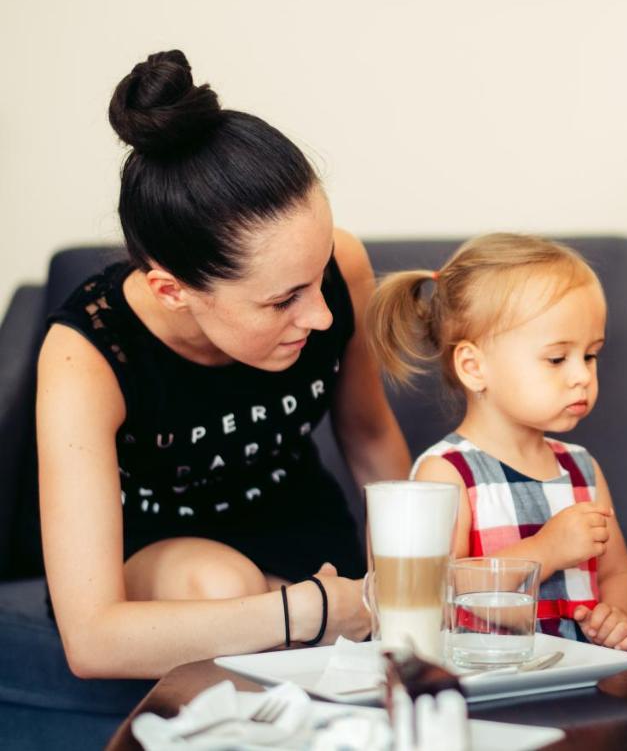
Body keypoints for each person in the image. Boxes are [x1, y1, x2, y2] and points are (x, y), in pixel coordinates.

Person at [37, 51, 410, 679]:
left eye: (318, 276)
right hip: (157, 569)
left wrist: (406, 587)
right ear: (171, 291)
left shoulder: (343, 266)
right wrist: (310, 611)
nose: (321, 316)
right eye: (283, 299)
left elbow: (371, 438)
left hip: (303, 539)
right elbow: (93, 640)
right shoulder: (88, 356)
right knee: (221, 581)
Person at [368, 233, 627, 649]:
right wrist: (546, 550)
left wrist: (618, 617)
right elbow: (443, 590)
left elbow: (616, 574)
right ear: (474, 367)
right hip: (489, 676)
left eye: (590, 355)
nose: (582, 376)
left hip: (580, 675)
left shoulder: (581, 468)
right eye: (556, 358)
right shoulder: (447, 471)